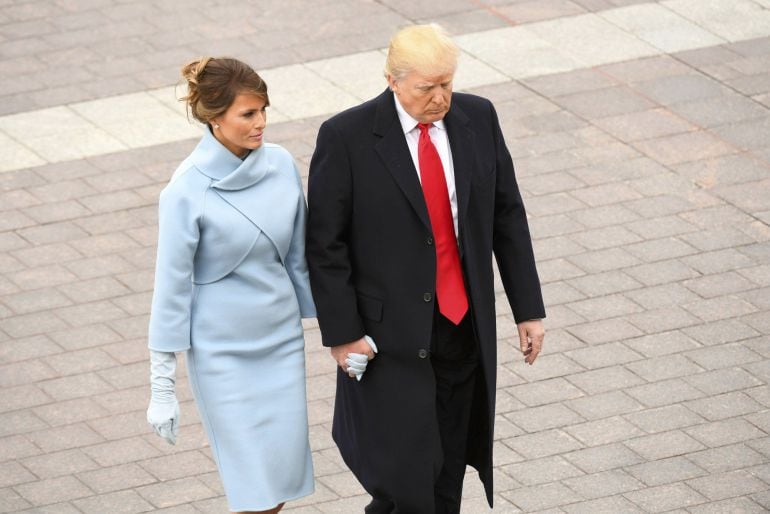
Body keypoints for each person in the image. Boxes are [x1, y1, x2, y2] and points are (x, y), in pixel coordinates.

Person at [305, 24, 546, 513]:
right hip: (388, 339)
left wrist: (528, 309)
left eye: (447, 84)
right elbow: (325, 245)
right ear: (393, 80)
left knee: (448, 469)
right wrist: (342, 334)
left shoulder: (478, 117)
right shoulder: (346, 137)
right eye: (426, 88)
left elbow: (507, 214)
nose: (440, 98)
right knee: (402, 480)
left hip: (462, 328)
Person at [145, 57, 315, 514]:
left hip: (281, 343)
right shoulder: (184, 191)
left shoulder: (280, 164)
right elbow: (171, 289)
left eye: (263, 110)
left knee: (276, 487)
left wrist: (345, 331)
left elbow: (301, 259)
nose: (261, 123)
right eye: (247, 114)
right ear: (214, 118)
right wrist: (163, 386)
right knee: (253, 487)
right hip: (224, 356)